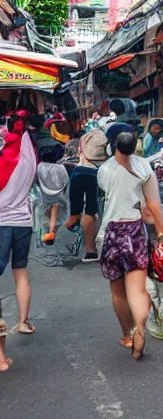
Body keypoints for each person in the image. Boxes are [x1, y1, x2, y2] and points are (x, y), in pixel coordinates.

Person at [97, 131, 163, 359]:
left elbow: (106, 194)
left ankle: (127, 335)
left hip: (112, 231)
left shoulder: (105, 170)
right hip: (135, 230)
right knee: (136, 289)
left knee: (117, 291)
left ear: (114, 145)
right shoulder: (145, 168)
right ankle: (140, 326)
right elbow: (154, 205)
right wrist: (160, 232)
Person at [0, 117, 37, 350]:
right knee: (20, 272)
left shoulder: (5, 163)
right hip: (23, 222)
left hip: (1, 223)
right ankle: (23, 321)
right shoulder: (28, 159)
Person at [66, 130, 108, 262]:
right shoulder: (105, 141)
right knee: (92, 208)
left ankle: (74, 220)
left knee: (79, 208)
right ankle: (92, 248)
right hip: (98, 173)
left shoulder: (84, 139)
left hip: (81, 172)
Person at [37, 147, 70, 245]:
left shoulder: (40, 166)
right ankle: (51, 232)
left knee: (45, 214)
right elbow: (65, 181)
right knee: (55, 209)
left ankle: (45, 232)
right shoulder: (60, 168)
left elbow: (36, 180)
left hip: (44, 195)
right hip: (59, 195)